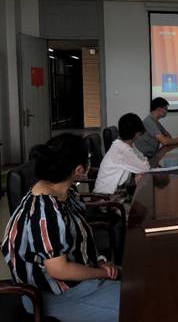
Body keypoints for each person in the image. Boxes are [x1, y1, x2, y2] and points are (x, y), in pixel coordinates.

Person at [1, 134, 120, 322]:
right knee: (142, 302)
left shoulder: (64, 193)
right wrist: (102, 273)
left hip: (78, 280)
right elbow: (59, 270)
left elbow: (82, 234)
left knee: (140, 281)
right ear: (79, 170)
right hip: (53, 294)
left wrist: (100, 261)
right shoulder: (45, 211)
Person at [94, 113, 150, 195]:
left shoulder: (124, 144)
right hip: (106, 197)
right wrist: (139, 170)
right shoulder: (123, 149)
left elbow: (142, 159)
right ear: (135, 133)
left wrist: (139, 170)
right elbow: (145, 168)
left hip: (116, 191)